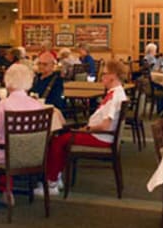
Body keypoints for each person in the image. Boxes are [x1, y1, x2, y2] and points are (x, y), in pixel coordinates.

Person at [39, 59, 127, 195]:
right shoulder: (117, 93)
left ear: (113, 76)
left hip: (101, 137)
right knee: (61, 137)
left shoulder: (114, 97)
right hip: (101, 135)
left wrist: (87, 129)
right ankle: (55, 175)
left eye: (104, 74)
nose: (101, 77)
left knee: (57, 141)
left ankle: (52, 183)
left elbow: (105, 126)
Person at [0, 64, 43, 207]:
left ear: (8, 82)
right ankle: (7, 191)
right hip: (33, 155)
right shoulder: (38, 105)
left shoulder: (3, 105)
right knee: (7, 147)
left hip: (7, 155)